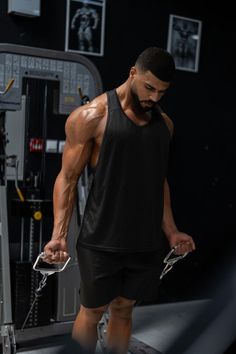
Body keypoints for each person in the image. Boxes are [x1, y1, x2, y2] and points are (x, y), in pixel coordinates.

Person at [43, 47, 196, 354]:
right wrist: (58, 236)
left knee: (124, 310)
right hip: (101, 239)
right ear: (132, 73)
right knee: (93, 311)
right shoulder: (91, 117)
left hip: (144, 241)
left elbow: (159, 181)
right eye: (149, 87)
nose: (153, 97)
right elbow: (68, 178)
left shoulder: (164, 126)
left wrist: (172, 231)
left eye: (161, 92)